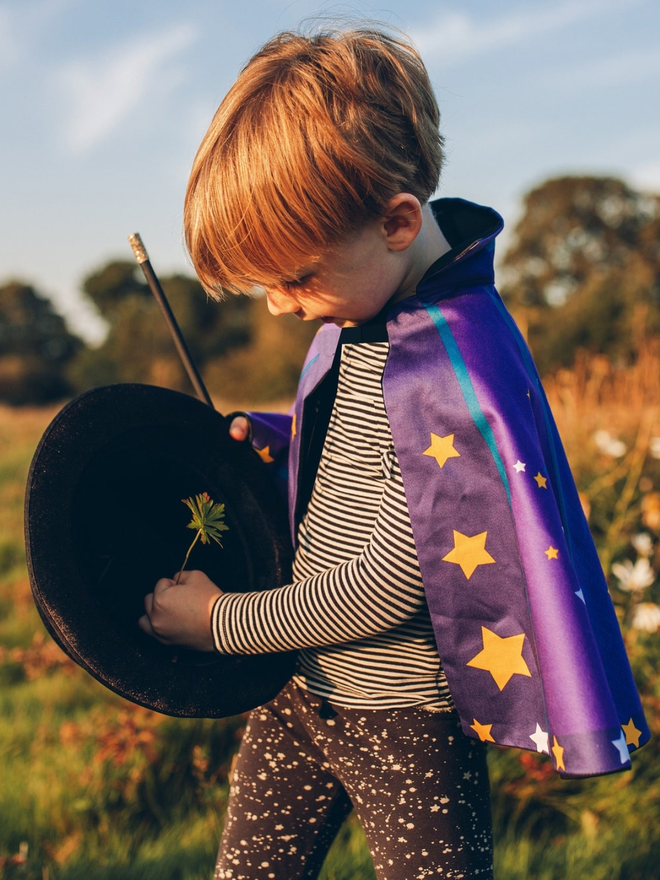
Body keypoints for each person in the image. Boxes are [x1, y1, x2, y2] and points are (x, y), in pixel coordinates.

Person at [138, 23, 648, 880]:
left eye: (294, 279)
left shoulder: (454, 360)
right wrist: (278, 437)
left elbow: (393, 577)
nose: (279, 308)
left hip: (405, 720)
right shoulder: (366, 314)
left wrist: (221, 623)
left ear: (398, 221)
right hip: (300, 693)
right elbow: (373, 454)